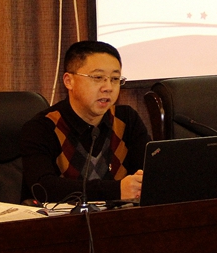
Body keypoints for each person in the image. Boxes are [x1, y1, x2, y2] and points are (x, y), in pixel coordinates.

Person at [21, 41, 149, 203]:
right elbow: (43, 187)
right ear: (69, 81)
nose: (108, 87)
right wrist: (116, 190)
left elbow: (150, 170)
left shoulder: (126, 120)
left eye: (115, 79)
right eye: (98, 78)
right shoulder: (42, 128)